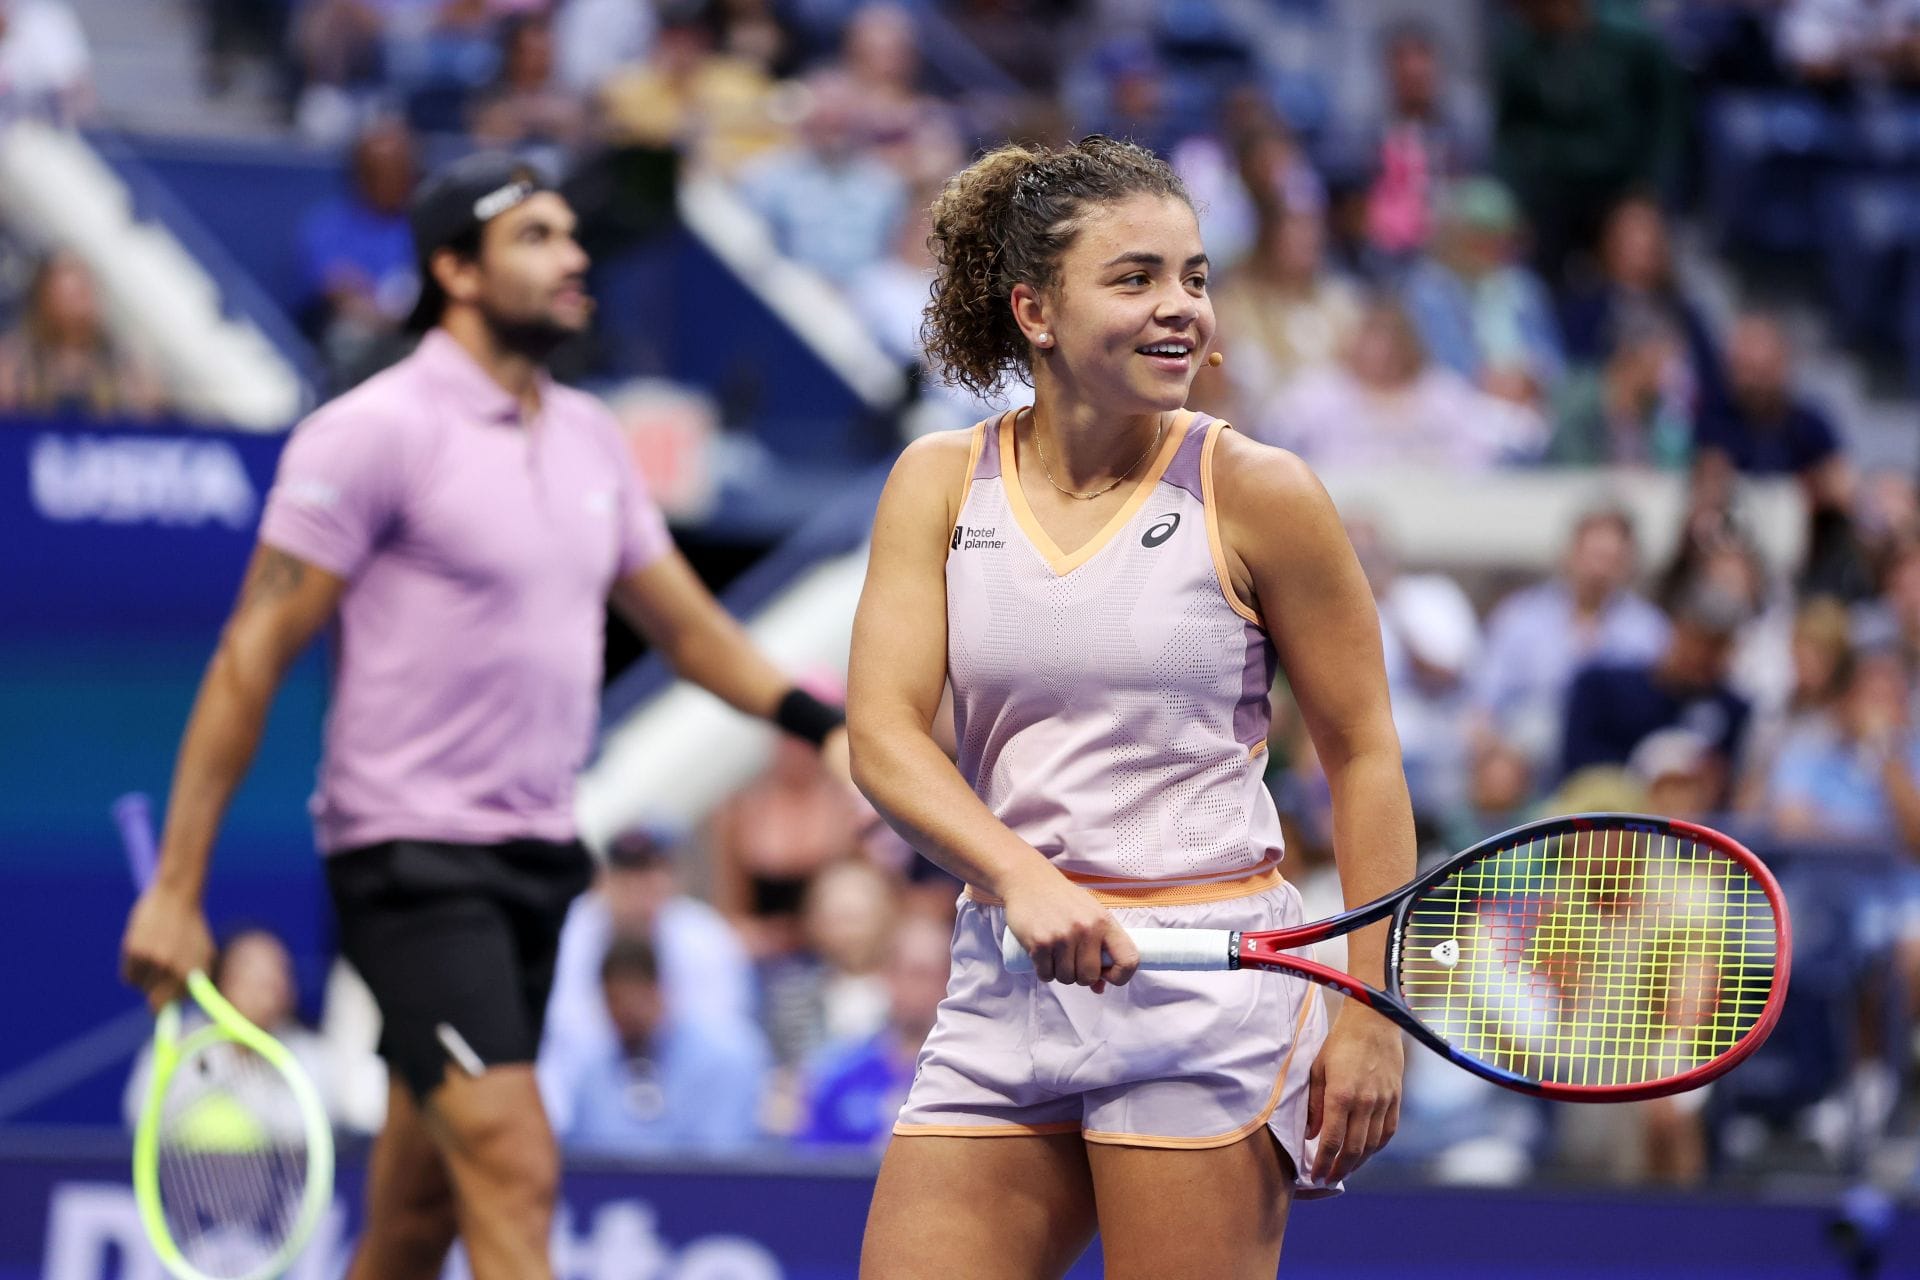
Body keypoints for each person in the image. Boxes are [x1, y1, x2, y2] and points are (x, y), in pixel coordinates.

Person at [118, 152, 849, 1280]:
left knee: (413, 1223)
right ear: (455, 269)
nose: (575, 257)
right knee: (515, 1161)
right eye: (539, 239)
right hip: (411, 863)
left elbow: (693, 634)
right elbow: (250, 655)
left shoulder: (594, 437)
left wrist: (821, 723)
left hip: (539, 865)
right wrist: (176, 886)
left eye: (572, 233)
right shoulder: (372, 432)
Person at [847, 136, 1411, 1278]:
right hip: (1010, 975)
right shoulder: (938, 481)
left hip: (1207, 994)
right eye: (1137, 277)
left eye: (1196, 277)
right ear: (1035, 312)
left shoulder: (1260, 490)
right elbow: (884, 738)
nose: (1183, 309)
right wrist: (1020, 875)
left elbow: (1363, 756)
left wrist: (1372, 1006)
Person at [539, 825, 755, 1135]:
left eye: (652, 872)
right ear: (605, 879)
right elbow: (562, 1033)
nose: (640, 887)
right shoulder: (569, 933)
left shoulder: (706, 936)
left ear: (673, 878)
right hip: (589, 1083)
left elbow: (718, 1039)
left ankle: (714, 1172)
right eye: (629, 874)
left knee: (737, 1051)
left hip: (683, 1082)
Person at [544, 932, 771, 1156]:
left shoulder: (726, 1056)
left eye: (632, 999)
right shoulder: (593, 1067)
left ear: (658, 990)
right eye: (613, 1002)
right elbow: (580, 1158)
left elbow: (721, 1165)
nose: (624, 1013)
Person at [795, 911, 952, 1149]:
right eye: (905, 972)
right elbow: (808, 1164)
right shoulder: (837, 1072)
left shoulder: (965, 1077)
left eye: (927, 974)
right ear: (886, 976)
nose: (914, 987)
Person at [0, 250, 166, 418]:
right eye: (68, 296)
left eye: (84, 294)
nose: (79, 306)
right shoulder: (15, 359)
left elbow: (152, 419)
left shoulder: (124, 361)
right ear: (45, 299)